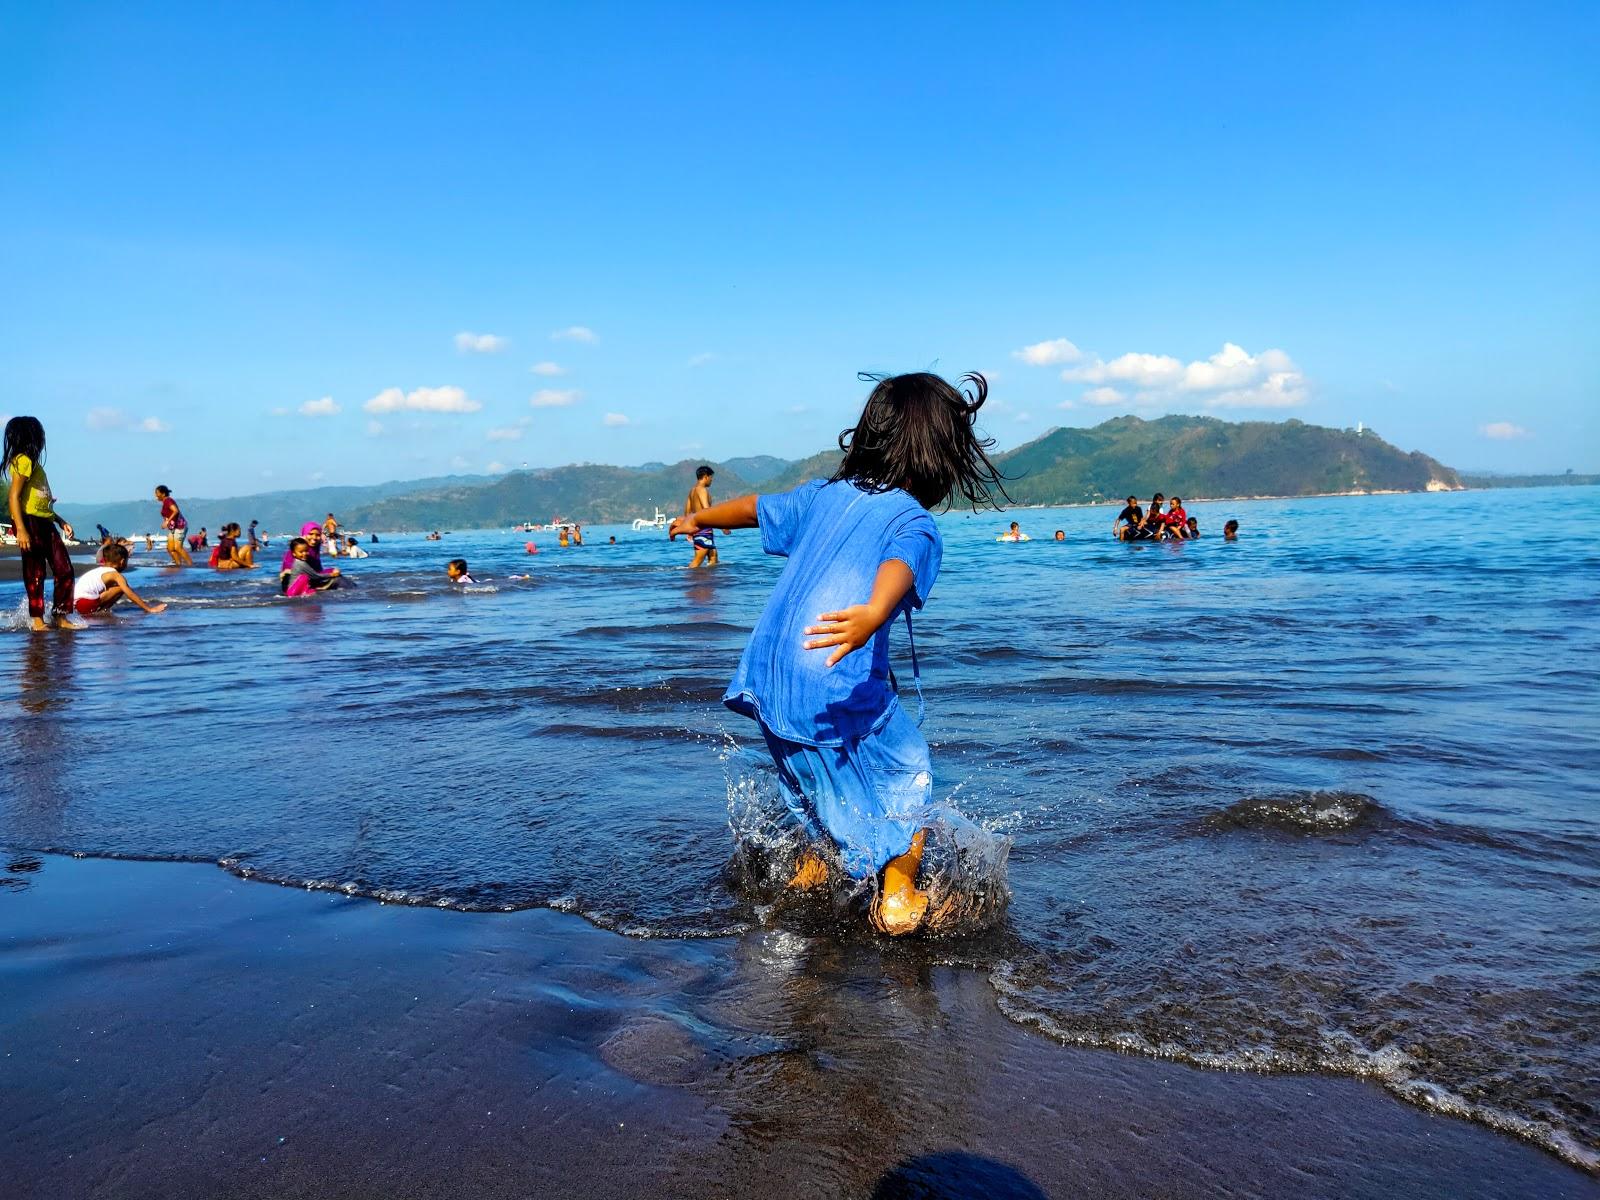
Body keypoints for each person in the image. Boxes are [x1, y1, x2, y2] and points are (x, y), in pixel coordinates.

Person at [669, 370, 1006, 936]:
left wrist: (699, 518)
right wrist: (875, 612)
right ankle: (897, 898)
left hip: (770, 675)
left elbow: (756, 507)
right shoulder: (912, 518)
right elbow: (900, 563)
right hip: (830, 673)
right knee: (908, 773)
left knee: (812, 784)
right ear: (945, 456)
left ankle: (806, 882)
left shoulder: (823, 497)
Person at [4, 416, 81, 631]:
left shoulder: (33, 463)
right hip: (28, 523)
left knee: (64, 569)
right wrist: (21, 529)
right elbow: (14, 497)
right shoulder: (23, 460)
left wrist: (60, 520)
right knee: (35, 571)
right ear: (31, 437)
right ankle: (37, 620)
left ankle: (60, 616)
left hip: (45, 522)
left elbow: (40, 503)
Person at [73, 543, 166, 617]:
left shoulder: (97, 571)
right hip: (86, 604)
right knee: (120, 588)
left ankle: (100, 611)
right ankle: (102, 610)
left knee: (111, 588)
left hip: (74, 604)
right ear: (122, 561)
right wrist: (149, 609)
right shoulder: (115, 575)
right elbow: (129, 593)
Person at [684, 465, 728, 568]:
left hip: (698, 528)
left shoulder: (692, 491)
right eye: (711, 477)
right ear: (705, 477)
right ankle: (689, 581)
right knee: (698, 560)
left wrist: (689, 530)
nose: (711, 480)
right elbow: (708, 511)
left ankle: (708, 581)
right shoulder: (702, 490)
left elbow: (687, 512)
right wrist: (723, 527)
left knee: (713, 557)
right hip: (703, 529)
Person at [155, 486, 193, 566]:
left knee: (178, 548)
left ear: (163, 494)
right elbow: (167, 515)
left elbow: (175, 511)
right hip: (173, 528)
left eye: (157, 493)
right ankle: (178, 565)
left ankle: (191, 565)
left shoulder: (168, 500)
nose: (156, 495)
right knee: (170, 548)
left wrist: (167, 521)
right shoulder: (165, 502)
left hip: (180, 526)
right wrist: (165, 522)